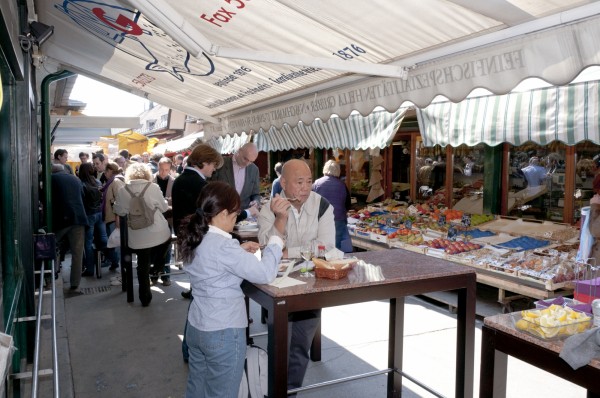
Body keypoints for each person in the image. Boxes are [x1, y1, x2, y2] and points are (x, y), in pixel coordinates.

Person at [178, 181, 283, 397]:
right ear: (223, 213)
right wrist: (275, 240)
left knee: (196, 389)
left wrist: (238, 251)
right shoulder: (224, 247)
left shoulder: (196, 237)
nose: (235, 222)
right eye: (235, 217)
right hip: (223, 331)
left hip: (197, 327)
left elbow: (212, 261)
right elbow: (265, 274)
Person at [257, 159, 335, 393]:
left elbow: (327, 248)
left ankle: (291, 389)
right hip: (279, 285)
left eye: (309, 181)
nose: (305, 187)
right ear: (283, 182)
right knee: (281, 342)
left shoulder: (322, 206)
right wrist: (280, 221)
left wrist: (288, 251)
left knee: (301, 343)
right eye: (299, 182)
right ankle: (276, 388)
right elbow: (265, 247)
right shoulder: (269, 208)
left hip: (312, 284)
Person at [113, 163, 171, 306]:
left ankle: (145, 297)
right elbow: (163, 208)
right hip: (158, 232)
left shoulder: (122, 190)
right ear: (147, 174)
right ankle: (157, 268)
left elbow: (119, 211)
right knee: (167, 239)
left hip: (136, 235)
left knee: (141, 263)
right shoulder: (153, 187)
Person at [172, 144, 224, 301]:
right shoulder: (200, 184)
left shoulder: (180, 179)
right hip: (197, 234)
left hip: (183, 232)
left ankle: (195, 289)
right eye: (214, 165)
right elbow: (213, 213)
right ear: (205, 162)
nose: (214, 170)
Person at [51, 164, 87, 292]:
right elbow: (82, 197)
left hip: (60, 220)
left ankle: (51, 275)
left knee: (51, 247)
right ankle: (75, 283)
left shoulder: (51, 179)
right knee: (77, 252)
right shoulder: (75, 179)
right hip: (78, 218)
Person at [312, 160, 352, 252]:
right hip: (338, 220)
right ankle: (334, 263)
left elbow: (310, 202)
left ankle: (322, 263)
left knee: (321, 246)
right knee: (335, 247)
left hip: (320, 220)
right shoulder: (342, 185)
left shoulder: (317, 184)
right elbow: (348, 204)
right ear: (337, 171)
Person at [78, 163, 109, 277]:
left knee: (88, 242)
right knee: (103, 238)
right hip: (99, 213)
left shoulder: (81, 184)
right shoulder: (98, 182)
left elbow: (80, 202)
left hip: (89, 215)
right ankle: (113, 260)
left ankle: (90, 268)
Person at [212, 142, 261, 210]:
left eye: (251, 161)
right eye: (245, 158)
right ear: (239, 151)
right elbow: (210, 189)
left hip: (244, 215)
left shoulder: (254, 169)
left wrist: (256, 201)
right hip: (222, 212)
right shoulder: (221, 163)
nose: (247, 163)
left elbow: (256, 194)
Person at [153, 157, 175, 286]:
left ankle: (166, 275)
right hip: (154, 219)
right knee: (154, 247)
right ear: (158, 167)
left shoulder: (174, 182)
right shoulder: (151, 180)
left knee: (167, 246)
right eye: (161, 169)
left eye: (166, 170)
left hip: (167, 218)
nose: (163, 172)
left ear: (170, 169)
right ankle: (154, 274)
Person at [102, 161, 125, 271]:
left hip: (115, 218)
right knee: (114, 244)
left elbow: (120, 201)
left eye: (106, 171)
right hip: (111, 218)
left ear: (110, 171)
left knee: (116, 245)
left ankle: (121, 271)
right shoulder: (112, 181)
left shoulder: (116, 181)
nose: (104, 173)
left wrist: (118, 218)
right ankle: (118, 267)